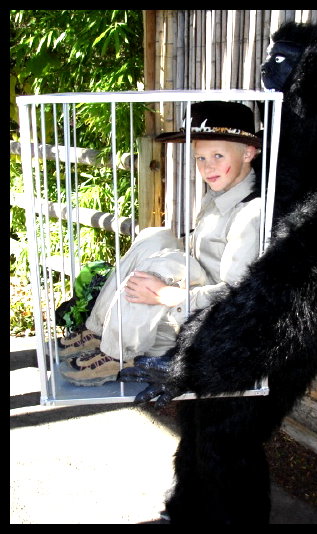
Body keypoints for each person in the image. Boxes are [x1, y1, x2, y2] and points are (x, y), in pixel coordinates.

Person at [59, 100, 262, 386]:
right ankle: (99, 329)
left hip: (202, 323)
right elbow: (195, 249)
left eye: (217, 155)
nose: (207, 168)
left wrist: (169, 295)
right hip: (187, 296)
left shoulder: (250, 213)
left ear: (248, 153)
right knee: (157, 236)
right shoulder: (218, 196)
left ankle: (119, 353)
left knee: (174, 261)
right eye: (200, 158)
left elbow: (235, 296)